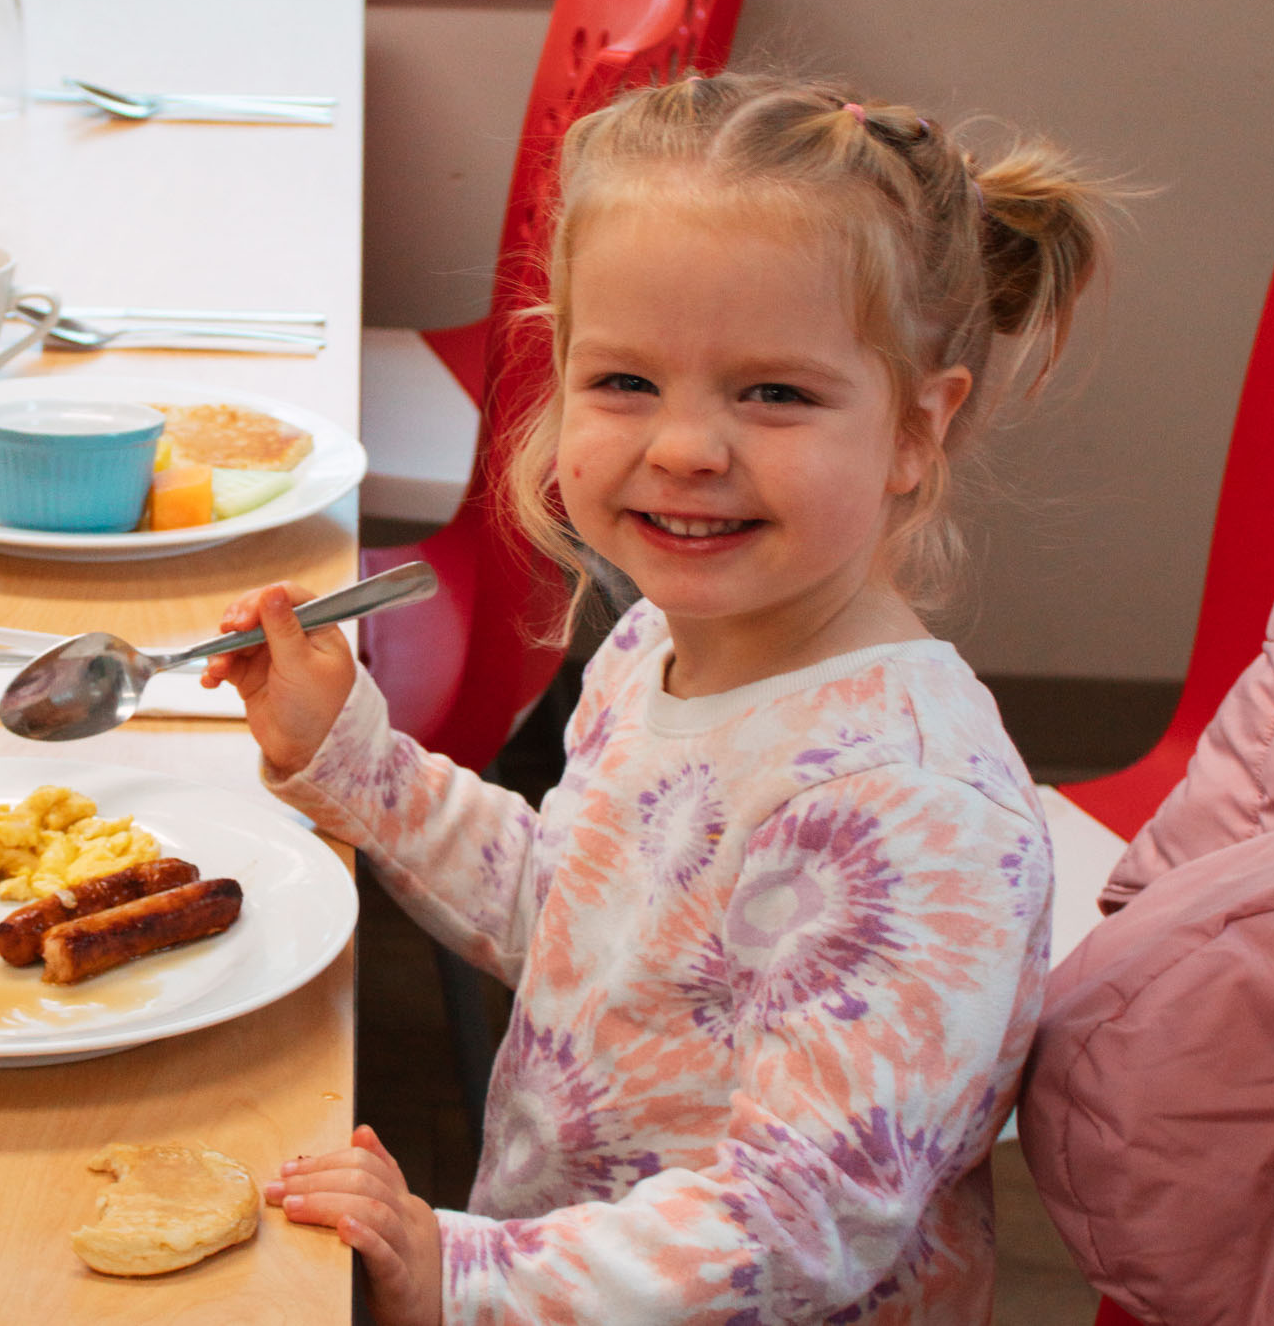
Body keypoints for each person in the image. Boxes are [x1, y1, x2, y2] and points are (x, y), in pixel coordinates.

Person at [201, 71, 1121, 1324]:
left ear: (915, 429)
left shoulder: (904, 809)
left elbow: (793, 1229)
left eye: (774, 394)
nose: (684, 446)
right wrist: (353, 758)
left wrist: (459, 1274)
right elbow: (578, 917)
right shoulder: (655, 643)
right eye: (625, 382)